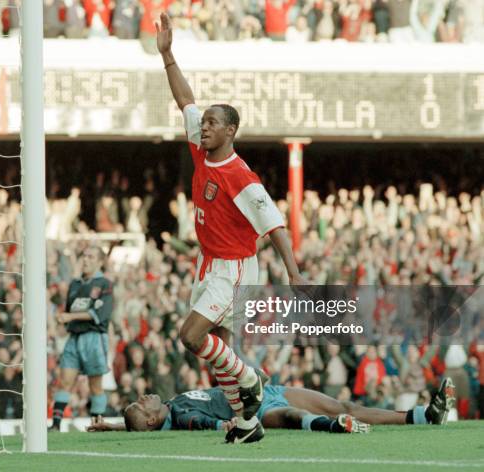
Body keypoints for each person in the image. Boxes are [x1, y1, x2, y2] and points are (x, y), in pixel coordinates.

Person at [156, 12, 309, 444]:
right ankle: (246, 424)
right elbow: (184, 99)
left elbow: (275, 226)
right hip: (209, 263)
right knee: (220, 348)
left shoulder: (242, 177)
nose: (202, 127)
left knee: (191, 337)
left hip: (235, 268)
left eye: (211, 123)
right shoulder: (203, 153)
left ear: (231, 130)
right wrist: (168, 56)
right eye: (202, 122)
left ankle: (251, 381)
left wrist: (293, 273)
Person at [88, 378, 456, 433]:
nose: (143, 396)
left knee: (342, 402)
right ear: (152, 419)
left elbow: (141, 427)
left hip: (267, 388)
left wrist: (111, 425)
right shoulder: (182, 416)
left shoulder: (170, 404)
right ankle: (334, 427)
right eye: (141, 404)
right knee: (294, 418)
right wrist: (229, 426)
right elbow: (208, 424)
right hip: (253, 408)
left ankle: (425, 415)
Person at [49, 246, 113, 430]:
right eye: (84, 255)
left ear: (100, 261)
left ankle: (97, 425)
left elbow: (101, 313)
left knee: (95, 386)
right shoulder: (75, 284)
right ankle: (55, 426)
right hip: (74, 337)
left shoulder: (105, 284)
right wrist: (63, 318)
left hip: (94, 338)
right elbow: (70, 310)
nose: (85, 259)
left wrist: (69, 317)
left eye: (90, 256)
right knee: (65, 381)